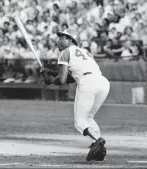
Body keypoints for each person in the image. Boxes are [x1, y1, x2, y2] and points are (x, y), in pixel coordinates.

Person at [40, 29, 110, 161]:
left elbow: (62, 80)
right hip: (103, 82)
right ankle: (98, 145)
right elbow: (71, 77)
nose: (58, 40)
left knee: (80, 122)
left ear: (70, 40)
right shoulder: (84, 51)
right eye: (58, 38)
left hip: (87, 83)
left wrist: (50, 81)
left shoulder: (65, 52)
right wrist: (51, 72)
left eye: (62, 38)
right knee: (89, 117)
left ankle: (97, 140)